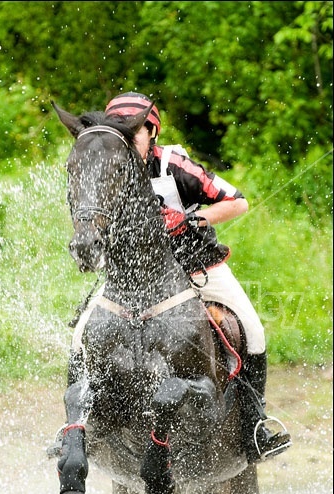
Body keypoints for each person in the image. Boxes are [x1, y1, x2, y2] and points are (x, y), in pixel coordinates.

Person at [66, 91, 292, 465]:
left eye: (132, 133)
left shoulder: (175, 165)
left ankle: (256, 426)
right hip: (134, 279)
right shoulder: (107, 167)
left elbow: (238, 201)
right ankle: (72, 432)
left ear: (151, 132)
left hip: (199, 268)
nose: (122, 141)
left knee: (253, 329)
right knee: (78, 337)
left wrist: (192, 220)